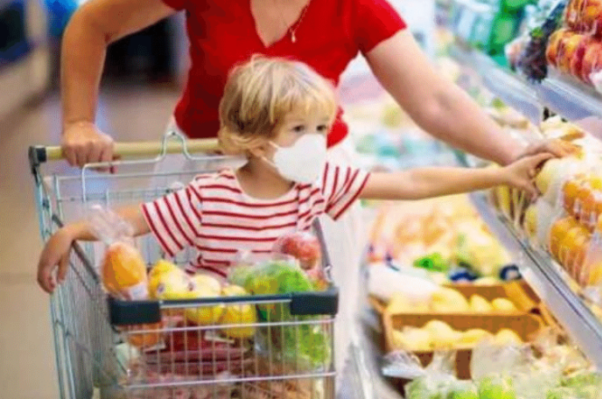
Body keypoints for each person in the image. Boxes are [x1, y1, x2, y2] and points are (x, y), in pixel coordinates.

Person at [55, 0, 568, 367]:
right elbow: (93, 23)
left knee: (300, 354)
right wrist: (77, 122)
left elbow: (433, 100)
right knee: (196, 342)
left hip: (308, 190)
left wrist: (512, 154)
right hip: (204, 182)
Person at [37, 56, 550, 290]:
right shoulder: (207, 196)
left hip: (289, 354)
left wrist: (500, 174)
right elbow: (137, 219)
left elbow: (412, 183)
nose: (316, 142)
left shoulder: (317, 183)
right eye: (299, 129)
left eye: (322, 128)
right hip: (217, 347)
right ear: (255, 142)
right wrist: (71, 230)